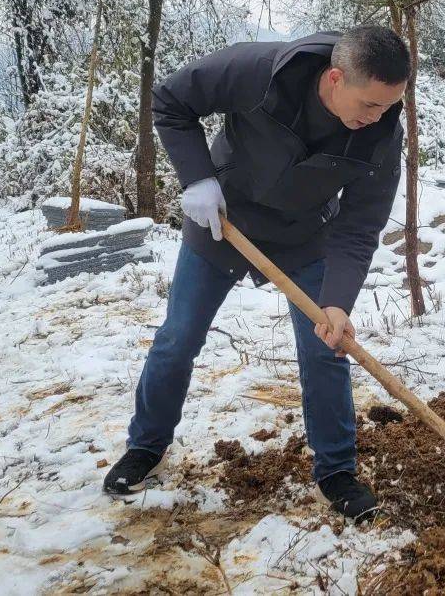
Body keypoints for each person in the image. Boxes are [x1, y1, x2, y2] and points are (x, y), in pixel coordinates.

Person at [103, 26, 409, 519]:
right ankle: (146, 447)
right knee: (178, 338)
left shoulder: (382, 134)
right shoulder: (259, 71)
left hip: (304, 235)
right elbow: (171, 100)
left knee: (325, 346)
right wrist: (198, 178)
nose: (379, 117)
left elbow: (360, 226)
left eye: (389, 106)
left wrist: (337, 301)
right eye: (371, 105)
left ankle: (336, 471)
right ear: (335, 78)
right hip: (222, 221)